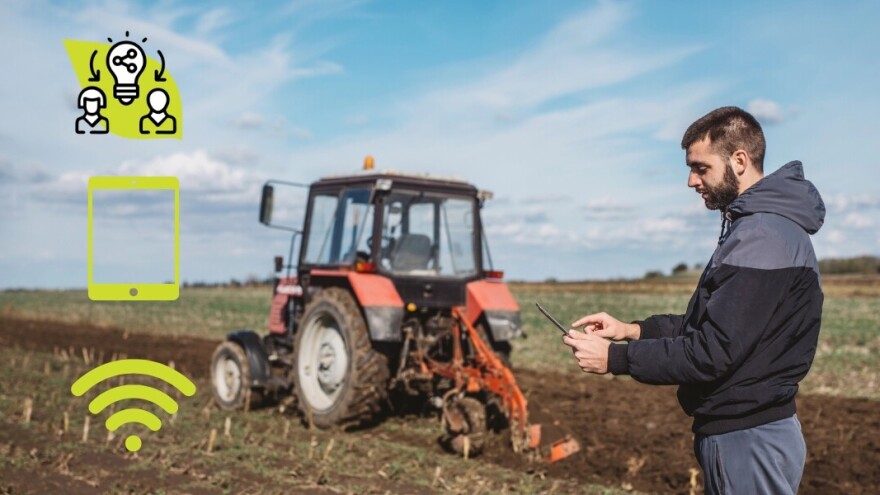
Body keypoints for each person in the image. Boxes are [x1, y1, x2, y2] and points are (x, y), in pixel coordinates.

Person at [563, 106, 825, 494]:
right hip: (752, 433)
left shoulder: (761, 236)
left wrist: (614, 359)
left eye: (701, 168)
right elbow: (708, 325)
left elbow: (713, 351)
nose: (691, 180)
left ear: (739, 160)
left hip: (747, 437)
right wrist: (632, 331)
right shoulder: (758, 229)